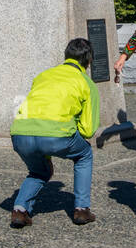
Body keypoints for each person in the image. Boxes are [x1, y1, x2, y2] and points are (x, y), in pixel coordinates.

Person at [9, 38, 101, 228]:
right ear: (89, 61)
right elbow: (88, 129)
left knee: (39, 171)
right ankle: (82, 209)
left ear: (66, 56)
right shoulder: (86, 82)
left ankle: (20, 210)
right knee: (84, 154)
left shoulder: (43, 75)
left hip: (20, 134)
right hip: (56, 136)